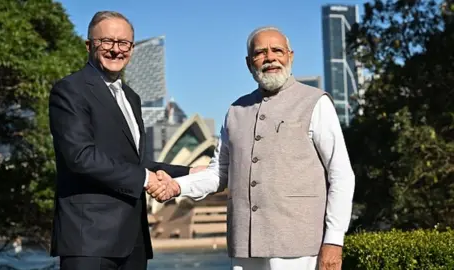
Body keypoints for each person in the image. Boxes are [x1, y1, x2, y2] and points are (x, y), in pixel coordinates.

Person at [147, 26, 355, 270]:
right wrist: (176, 186)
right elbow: (219, 173)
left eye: (277, 50)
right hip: (245, 245)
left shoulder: (316, 103)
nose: (270, 57)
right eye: (260, 53)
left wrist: (333, 240)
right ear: (249, 63)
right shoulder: (235, 111)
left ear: (290, 56)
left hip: (298, 245)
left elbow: (341, 174)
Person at [48, 11, 201, 270]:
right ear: (89, 45)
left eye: (124, 43)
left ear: (131, 48)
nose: (116, 50)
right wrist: (146, 179)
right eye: (106, 41)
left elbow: (134, 162)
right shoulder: (70, 90)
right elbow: (80, 157)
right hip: (90, 241)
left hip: (133, 241)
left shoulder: (131, 97)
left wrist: (189, 172)